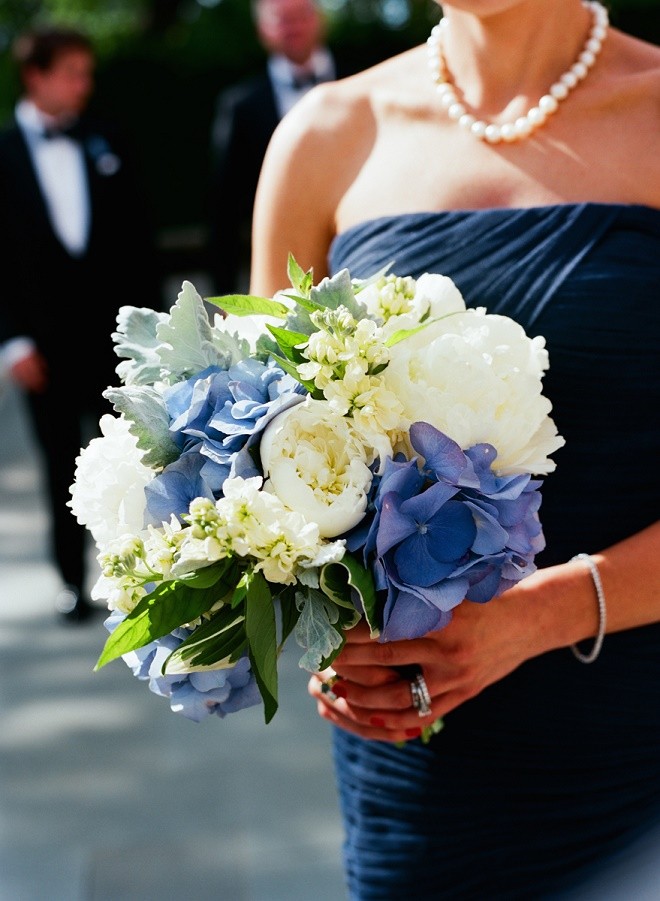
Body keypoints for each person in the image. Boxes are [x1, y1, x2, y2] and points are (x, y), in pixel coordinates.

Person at [248, 0, 660, 897]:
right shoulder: (327, 136)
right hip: (419, 762)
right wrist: (320, 625)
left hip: (638, 744)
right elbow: (266, 450)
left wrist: (540, 616)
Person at [0, 26, 160, 624]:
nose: (83, 84)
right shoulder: (4, 153)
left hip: (113, 341)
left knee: (138, 456)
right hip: (41, 344)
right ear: (35, 75)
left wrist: (151, 335)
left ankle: (147, 574)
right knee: (59, 464)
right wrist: (11, 339)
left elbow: (139, 244)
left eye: (86, 73)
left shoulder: (107, 139)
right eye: (72, 72)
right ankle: (73, 581)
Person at [207, 0, 356, 295]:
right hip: (281, 274)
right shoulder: (240, 106)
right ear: (262, 28)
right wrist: (222, 301)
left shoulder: (360, 84)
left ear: (320, 19)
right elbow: (224, 210)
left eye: (301, 15)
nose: (294, 27)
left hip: (358, 251)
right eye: (282, 19)